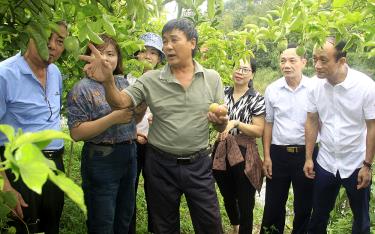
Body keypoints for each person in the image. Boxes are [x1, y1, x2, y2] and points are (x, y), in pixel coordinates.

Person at [79, 18, 228, 234]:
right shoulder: (151, 79)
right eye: (165, 41)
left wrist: (221, 123)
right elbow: (120, 102)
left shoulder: (212, 78)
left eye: (174, 40)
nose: (167, 46)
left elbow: (220, 127)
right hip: (161, 165)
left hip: (199, 165)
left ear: (192, 43)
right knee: (163, 227)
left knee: (210, 225)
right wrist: (108, 81)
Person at [67, 34, 144, 233]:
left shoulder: (123, 84)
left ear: (118, 58)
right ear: (89, 57)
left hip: (128, 154)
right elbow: (76, 132)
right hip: (101, 158)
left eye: (110, 53)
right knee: (102, 220)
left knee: (124, 216)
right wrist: (113, 117)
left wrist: (142, 106)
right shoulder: (81, 89)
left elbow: (131, 121)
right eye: (99, 53)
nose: (105, 58)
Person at [0, 22, 68, 233]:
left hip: (53, 165)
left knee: (50, 226)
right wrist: (4, 186)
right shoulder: (5, 74)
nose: (52, 46)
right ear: (30, 36)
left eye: (60, 41)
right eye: (47, 37)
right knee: (22, 227)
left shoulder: (55, 72)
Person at [304, 38, 375, 233]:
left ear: (342, 61)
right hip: (326, 161)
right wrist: (309, 157)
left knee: (361, 221)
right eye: (314, 59)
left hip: (356, 163)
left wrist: (367, 165)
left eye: (324, 60)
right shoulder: (314, 86)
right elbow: (311, 120)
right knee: (318, 216)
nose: (317, 65)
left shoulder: (365, 86)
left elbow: (372, 127)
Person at [260, 45, 319, 234]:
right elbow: (268, 124)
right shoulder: (272, 89)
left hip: (306, 153)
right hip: (278, 153)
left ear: (304, 62)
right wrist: (267, 157)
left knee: (304, 205)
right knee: (273, 204)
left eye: (292, 60)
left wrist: (311, 156)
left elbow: (320, 122)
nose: (286, 65)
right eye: (283, 60)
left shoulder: (314, 88)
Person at [212, 58, 265, 234]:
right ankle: (235, 225)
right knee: (227, 195)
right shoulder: (222, 94)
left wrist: (236, 123)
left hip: (244, 153)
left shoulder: (256, 98)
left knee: (245, 200)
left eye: (245, 69)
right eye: (237, 68)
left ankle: (245, 230)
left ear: (252, 74)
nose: (240, 72)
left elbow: (258, 130)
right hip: (220, 151)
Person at [127, 32, 164, 234]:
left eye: (153, 53)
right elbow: (118, 113)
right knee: (128, 189)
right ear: (136, 54)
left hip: (155, 145)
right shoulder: (126, 80)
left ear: (159, 58)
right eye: (144, 51)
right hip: (129, 142)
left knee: (155, 190)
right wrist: (133, 134)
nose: (148, 56)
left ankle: (155, 229)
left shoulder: (164, 82)